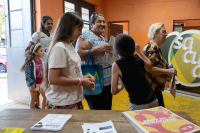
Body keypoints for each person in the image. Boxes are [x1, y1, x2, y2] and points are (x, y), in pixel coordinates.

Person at [44, 12, 95, 110]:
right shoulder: (59, 47)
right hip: (62, 102)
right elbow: (53, 79)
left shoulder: (69, 46)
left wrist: (83, 78)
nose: (81, 33)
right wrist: (81, 81)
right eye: (79, 29)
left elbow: (68, 74)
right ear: (69, 27)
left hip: (72, 99)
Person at [75, 12, 113, 110]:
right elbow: (79, 55)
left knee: (107, 110)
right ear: (91, 24)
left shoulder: (102, 36)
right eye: (99, 22)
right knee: (100, 113)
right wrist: (99, 49)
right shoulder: (86, 35)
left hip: (106, 82)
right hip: (95, 81)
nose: (102, 24)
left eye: (104, 22)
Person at [111, 34, 158, 110]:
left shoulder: (116, 65)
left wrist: (120, 86)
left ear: (116, 53)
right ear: (133, 49)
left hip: (138, 104)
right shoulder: (137, 58)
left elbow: (113, 91)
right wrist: (139, 51)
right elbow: (150, 65)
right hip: (153, 100)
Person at [143, 23, 177, 107]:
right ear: (155, 34)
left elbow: (155, 65)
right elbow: (149, 69)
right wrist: (169, 70)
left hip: (155, 89)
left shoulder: (156, 47)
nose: (167, 34)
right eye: (164, 32)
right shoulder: (153, 48)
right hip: (151, 90)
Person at [25, 16, 53, 109]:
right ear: (42, 24)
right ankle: (34, 108)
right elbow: (28, 48)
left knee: (46, 92)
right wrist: (28, 59)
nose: (50, 25)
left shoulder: (53, 36)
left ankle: (41, 109)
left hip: (47, 66)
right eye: (48, 23)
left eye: (51, 23)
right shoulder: (37, 34)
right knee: (34, 96)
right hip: (37, 65)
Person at [20, 43, 46, 109]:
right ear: (35, 53)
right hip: (33, 84)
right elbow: (27, 75)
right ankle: (31, 113)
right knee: (33, 99)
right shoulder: (30, 63)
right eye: (41, 51)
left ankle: (43, 112)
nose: (43, 52)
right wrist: (31, 84)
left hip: (41, 84)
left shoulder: (42, 61)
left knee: (45, 97)